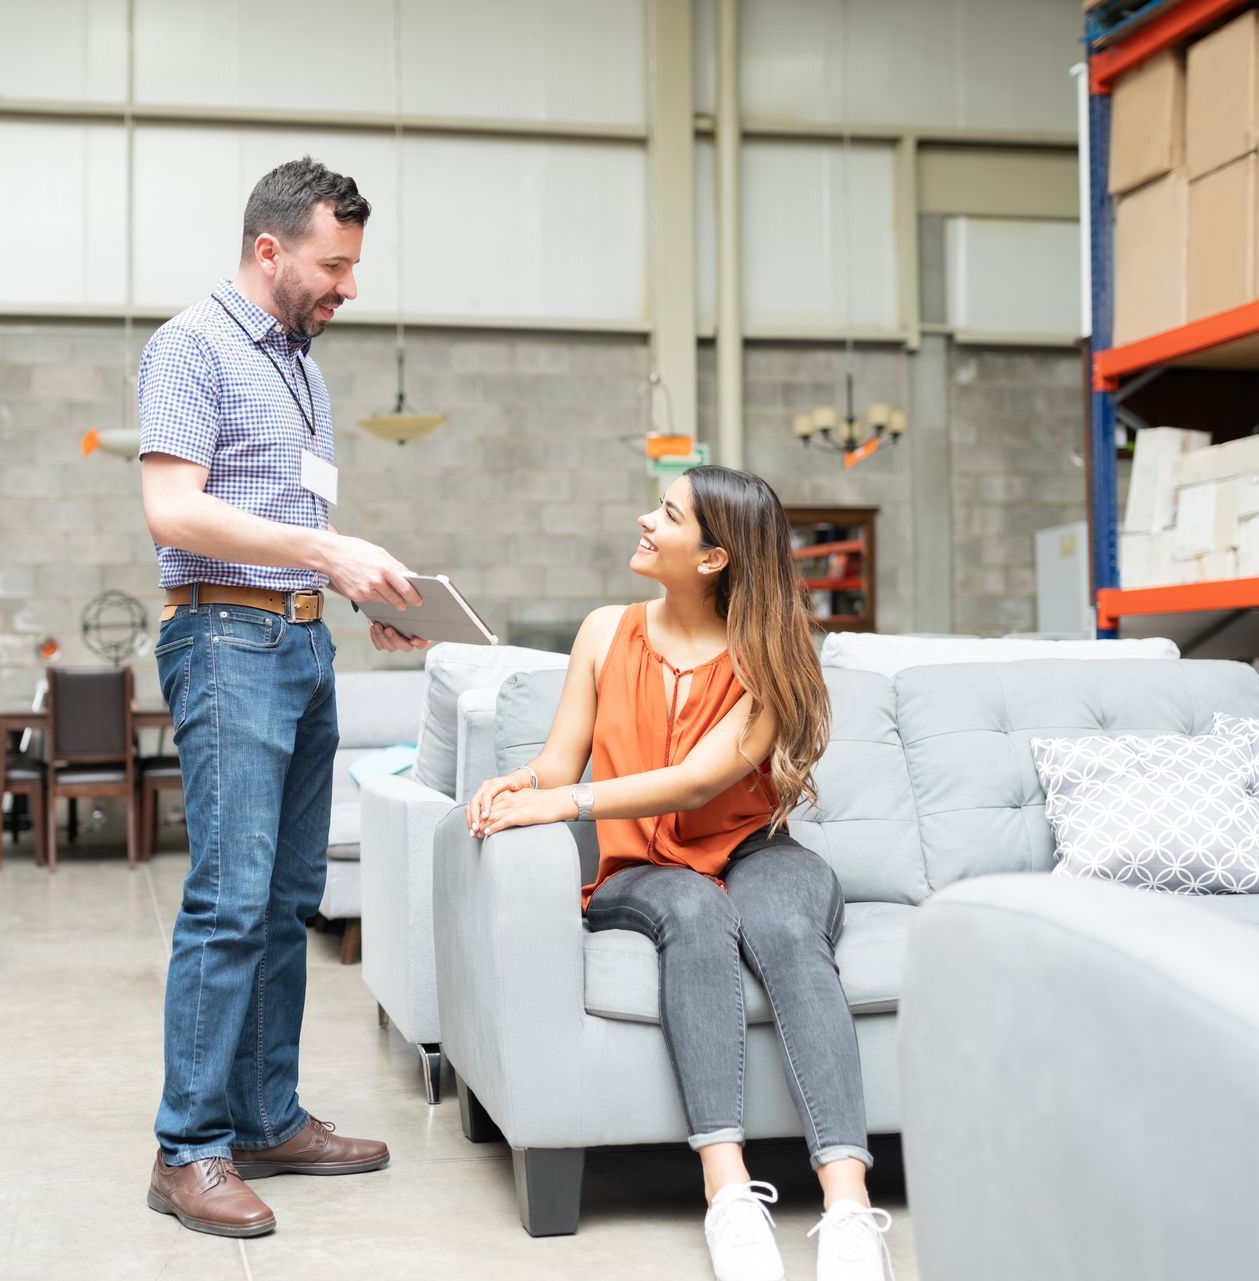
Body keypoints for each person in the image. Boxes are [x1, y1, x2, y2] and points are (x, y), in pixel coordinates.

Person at [466, 467, 892, 1281]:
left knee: (785, 926)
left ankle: (846, 1205)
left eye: (667, 514)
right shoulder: (603, 632)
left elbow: (699, 781)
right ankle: (729, 1196)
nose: (644, 520)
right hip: (643, 869)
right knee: (695, 910)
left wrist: (567, 804)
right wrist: (523, 785)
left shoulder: (768, 654)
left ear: (713, 558)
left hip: (757, 848)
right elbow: (561, 762)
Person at [137, 156, 429, 1239]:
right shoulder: (190, 347)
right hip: (224, 639)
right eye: (334, 264)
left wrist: (354, 591)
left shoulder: (304, 367)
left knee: (287, 895)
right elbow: (174, 510)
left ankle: (263, 1116)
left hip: (300, 646)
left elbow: (290, 514)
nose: (348, 287)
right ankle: (189, 1149)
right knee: (228, 894)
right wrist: (324, 550)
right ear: (271, 248)